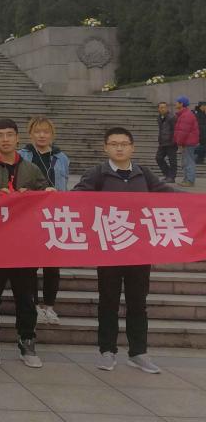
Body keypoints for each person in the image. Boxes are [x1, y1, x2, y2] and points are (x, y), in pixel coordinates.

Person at [73, 126, 176, 374]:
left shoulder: (144, 174)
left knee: (137, 302)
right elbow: (76, 198)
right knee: (108, 301)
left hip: (139, 250)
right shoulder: (97, 174)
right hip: (109, 249)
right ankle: (106, 351)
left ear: (132, 147)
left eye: (124, 144)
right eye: (114, 144)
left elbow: (170, 195)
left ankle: (138, 352)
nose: (119, 148)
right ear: (105, 148)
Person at [0, 118, 51, 369]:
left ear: (17, 138)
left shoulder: (31, 169)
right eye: (0, 135)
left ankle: (27, 341)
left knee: (26, 297)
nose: (5, 140)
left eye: (9, 135)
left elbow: (46, 199)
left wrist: (41, 195)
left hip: (24, 246)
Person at [20, 116, 70, 326]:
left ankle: (49, 306)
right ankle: (33, 305)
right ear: (31, 134)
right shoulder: (22, 155)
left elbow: (64, 185)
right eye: (37, 131)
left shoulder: (62, 157)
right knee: (30, 265)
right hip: (30, 215)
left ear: (52, 134)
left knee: (52, 265)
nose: (42, 135)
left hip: (54, 215)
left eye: (46, 132)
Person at [174, 96, 199, 187]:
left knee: (188, 161)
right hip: (187, 142)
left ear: (181, 104)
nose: (176, 104)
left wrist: (179, 142)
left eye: (177, 102)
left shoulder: (186, 115)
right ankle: (187, 179)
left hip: (188, 142)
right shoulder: (184, 114)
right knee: (186, 161)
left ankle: (189, 180)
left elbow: (183, 131)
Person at [156, 101, 178, 183]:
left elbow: (175, 130)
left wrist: (174, 141)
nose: (163, 109)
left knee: (172, 160)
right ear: (158, 109)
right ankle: (168, 175)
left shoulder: (172, 117)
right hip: (162, 142)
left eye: (164, 107)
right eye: (161, 107)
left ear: (167, 108)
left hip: (171, 142)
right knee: (158, 158)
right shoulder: (159, 117)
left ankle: (172, 177)